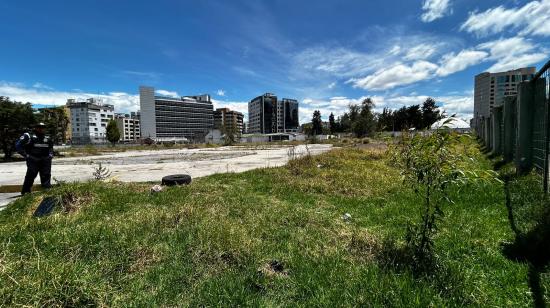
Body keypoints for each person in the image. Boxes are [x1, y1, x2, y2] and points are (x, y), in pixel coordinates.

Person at [15, 122, 54, 195]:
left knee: (46, 175)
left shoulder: (48, 137)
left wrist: (50, 155)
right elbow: (18, 146)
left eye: (43, 127)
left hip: (45, 160)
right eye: (39, 127)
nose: (41, 129)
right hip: (33, 159)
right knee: (31, 175)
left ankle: (47, 191)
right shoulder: (28, 136)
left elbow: (51, 147)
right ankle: (26, 191)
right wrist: (26, 155)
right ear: (35, 128)